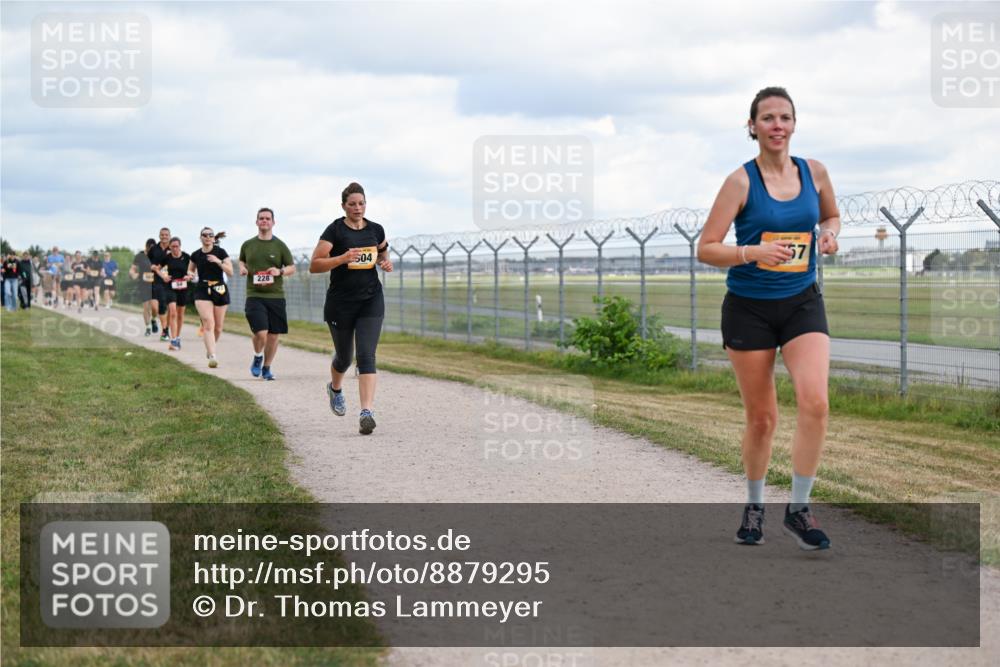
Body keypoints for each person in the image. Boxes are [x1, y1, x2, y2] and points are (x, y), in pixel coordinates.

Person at [697, 86, 840, 551]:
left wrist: (830, 236)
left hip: (802, 301)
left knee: (815, 403)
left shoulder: (814, 172)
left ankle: (799, 510)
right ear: (752, 127)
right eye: (768, 118)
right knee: (762, 419)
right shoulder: (740, 182)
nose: (777, 125)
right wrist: (752, 251)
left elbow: (832, 216)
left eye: (785, 117)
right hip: (749, 309)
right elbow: (706, 248)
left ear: (794, 125)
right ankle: (754, 506)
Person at [309, 182, 392, 435]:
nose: (357, 208)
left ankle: (366, 412)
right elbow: (315, 265)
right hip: (341, 304)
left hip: (370, 299)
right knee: (345, 357)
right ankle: (335, 389)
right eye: (352, 204)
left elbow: (382, 252)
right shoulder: (334, 231)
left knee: (366, 355)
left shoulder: (376, 229)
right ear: (343, 206)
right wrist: (342, 258)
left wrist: (385, 263)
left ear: (366, 204)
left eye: (361, 203)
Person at [239, 208, 295, 380]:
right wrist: (242, 267)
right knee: (261, 333)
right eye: (261, 218)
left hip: (275, 296)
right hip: (254, 295)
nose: (264, 221)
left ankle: (267, 367)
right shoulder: (248, 244)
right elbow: (242, 260)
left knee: (273, 335)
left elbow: (292, 267)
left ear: (273, 222)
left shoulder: (280, 245)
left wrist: (279, 271)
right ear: (257, 222)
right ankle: (257, 356)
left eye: (267, 218)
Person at [190, 228, 233, 368]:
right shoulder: (196, 254)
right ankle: (213, 356)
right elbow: (190, 269)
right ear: (200, 237)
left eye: (210, 235)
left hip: (219, 288)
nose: (207, 237)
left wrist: (218, 262)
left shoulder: (221, 252)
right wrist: (191, 275)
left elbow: (230, 272)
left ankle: (211, 348)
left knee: (218, 327)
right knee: (208, 323)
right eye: (205, 235)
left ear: (214, 238)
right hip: (202, 289)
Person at [157, 237, 193, 351]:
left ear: (180, 246)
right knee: (172, 312)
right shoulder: (167, 257)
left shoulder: (187, 257)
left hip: (183, 288)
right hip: (170, 287)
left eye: (177, 246)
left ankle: (177, 337)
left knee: (180, 314)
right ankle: (173, 340)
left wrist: (189, 276)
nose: (175, 249)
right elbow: (157, 268)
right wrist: (164, 276)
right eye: (172, 247)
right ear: (170, 247)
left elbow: (193, 270)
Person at [148, 228, 172, 340]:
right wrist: (151, 266)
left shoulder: (173, 248)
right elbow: (147, 263)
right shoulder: (154, 249)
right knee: (154, 307)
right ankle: (153, 319)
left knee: (164, 306)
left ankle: (165, 331)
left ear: (170, 236)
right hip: (155, 280)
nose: (164, 237)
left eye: (166, 235)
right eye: (162, 235)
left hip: (168, 281)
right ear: (159, 236)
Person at [130, 239, 158, 336]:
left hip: (155, 284)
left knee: (154, 307)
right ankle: (148, 327)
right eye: (150, 248)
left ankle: (154, 319)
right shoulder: (140, 256)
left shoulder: (157, 255)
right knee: (146, 306)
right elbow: (133, 268)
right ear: (146, 246)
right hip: (143, 284)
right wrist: (133, 274)